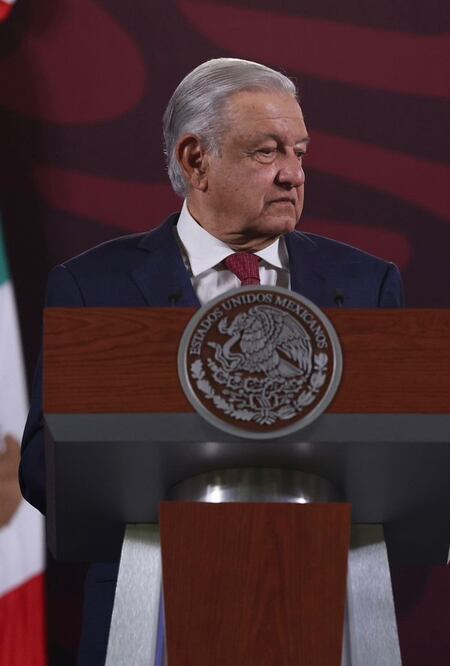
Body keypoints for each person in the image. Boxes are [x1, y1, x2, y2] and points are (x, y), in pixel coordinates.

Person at [19, 58, 403, 665]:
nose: (293, 175)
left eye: (300, 153)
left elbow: (411, 454)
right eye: (267, 152)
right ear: (196, 160)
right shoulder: (95, 285)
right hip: (152, 612)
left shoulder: (364, 284)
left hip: (320, 607)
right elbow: (42, 469)